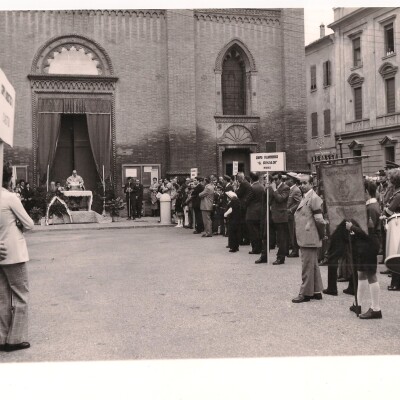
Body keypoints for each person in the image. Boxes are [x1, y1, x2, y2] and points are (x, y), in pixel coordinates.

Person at [0, 162, 35, 352]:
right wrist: (17, 225)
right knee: (21, 295)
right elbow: (29, 224)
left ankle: (1, 336)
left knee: (2, 297)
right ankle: (15, 338)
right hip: (13, 253)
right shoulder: (9, 197)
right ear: (8, 178)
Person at [347, 180, 382, 319]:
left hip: (369, 245)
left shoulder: (371, 208)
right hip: (365, 245)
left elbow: (368, 231)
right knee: (361, 273)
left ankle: (376, 308)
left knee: (371, 275)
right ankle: (358, 303)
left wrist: (352, 228)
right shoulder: (370, 206)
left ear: (366, 192)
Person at [292, 174, 328, 303]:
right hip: (307, 236)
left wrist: (321, 234)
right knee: (313, 265)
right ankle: (316, 290)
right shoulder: (307, 197)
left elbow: (319, 220)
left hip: (309, 237)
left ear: (312, 184)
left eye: (305, 183)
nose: (302, 185)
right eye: (300, 183)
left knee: (307, 265)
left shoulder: (313, 198)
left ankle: (305, 293)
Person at [382, 168, 400, 291]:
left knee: (396, 254)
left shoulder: (398, 195)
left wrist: (385, 210)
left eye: (390, 179)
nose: (388, 181)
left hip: (397, 224)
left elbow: (389, 211)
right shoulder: (396, 193)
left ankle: (396, 283)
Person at [268, 172, 290, 265]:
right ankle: (278, 254)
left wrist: (274, 190)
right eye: (273, 179)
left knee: (281, 238)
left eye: (276, 179)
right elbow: (270, 201)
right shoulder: (274, 188)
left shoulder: (285, 187)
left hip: (281, 216)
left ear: (280, 179)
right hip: (274, 215)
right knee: (276, 237)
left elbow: (280, 199)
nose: (275, 181)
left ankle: (281, 258)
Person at [246, 172, 264, 255]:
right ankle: (259, 247)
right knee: (258, 231)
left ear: (251, 179)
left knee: (253, 232)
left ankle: (255, 249)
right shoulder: (261, 186)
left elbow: (247, 200)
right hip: (260, 212)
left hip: (252, 212)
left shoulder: (252, 187)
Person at [286, 172, 302, 258]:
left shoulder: (296, 190)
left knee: (293, 233)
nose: (286, 181)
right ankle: (293, 248)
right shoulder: (290, 189)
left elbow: (299, 202)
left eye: (287, 179)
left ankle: (295, 251)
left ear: (291, 180)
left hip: (292, 215)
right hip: (288, 215)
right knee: (290, 232)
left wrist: (291, 210)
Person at [235, 172, 252, 245]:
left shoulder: (243, 184)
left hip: (243, 206)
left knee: (243, 224)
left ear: (239, 178)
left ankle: (245, 239)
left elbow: (238, 194)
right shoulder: (246, 183)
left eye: (237, 178)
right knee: (244, 223)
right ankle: (246, 239)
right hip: (244, 205)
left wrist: (235, 188)